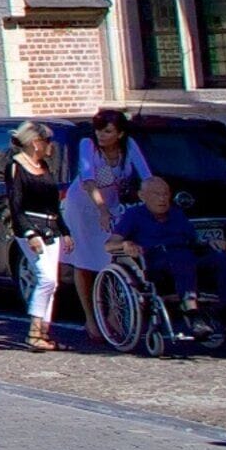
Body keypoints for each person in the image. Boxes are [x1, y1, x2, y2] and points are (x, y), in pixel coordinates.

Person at [115, 173, 226, 317]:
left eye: (165, 194)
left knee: (221, 258)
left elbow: (194, 240)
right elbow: (110, 244)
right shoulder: (133, 215)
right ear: (142, 196)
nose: (162, 199)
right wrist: (126, 244)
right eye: (156, 194)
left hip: (185, 256)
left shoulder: (177, 214)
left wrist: (210, 242)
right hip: (156, 261)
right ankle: (191, 310)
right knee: (181, 258)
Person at [63, 111, 149, 307]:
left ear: (120, 134)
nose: (101, 135)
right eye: (99, 130)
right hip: (84, 206)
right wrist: (102, 210)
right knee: (84, 260)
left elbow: (146, 174)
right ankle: (91, 317)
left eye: (107, 131)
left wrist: (153, 196)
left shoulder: (129, 146)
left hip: (111, 205)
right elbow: (89, 181)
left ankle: (113, 310)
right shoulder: (88, 145)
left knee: (112, 255)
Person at [7, 118, 70, 351]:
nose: (51, 146)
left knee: (52, 283)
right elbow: (16, 204)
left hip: (51, 228)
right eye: (48, 141)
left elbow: (53, 203)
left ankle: (44, 331)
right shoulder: (16, 166)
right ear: (36, 143)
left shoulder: (44, 167)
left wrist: (64, 231)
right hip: (30, 228)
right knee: (46, 278)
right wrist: (30, 232)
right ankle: (33, 332)